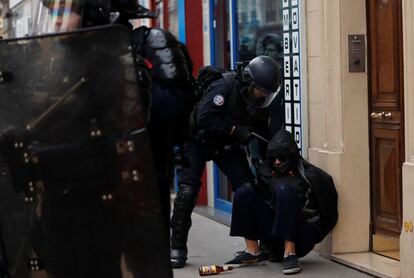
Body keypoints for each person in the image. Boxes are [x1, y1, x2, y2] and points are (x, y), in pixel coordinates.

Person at [170, 55, 282, 268]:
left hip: (224, 144)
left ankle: (256, 247)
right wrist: (233, 130)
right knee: (188, 191)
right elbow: (205, 118)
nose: (263, 96)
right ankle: (177, 246)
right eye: (261, 90)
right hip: (196, 140)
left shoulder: (257, 99)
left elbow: (261, 128)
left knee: (247, 187)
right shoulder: (225, 86)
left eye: (267, 93)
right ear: (250, 82)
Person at [226, 129, 338, 275]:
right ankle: (253, 251)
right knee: (244, 192)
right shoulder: (266, 170)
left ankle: (289, 253)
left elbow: (329, 212)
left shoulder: (311, 175)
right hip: (274, 234)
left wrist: (315, 234)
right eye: (274, 158)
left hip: (302, 237)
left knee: (284, 189)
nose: (277, 162)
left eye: (281, 158)